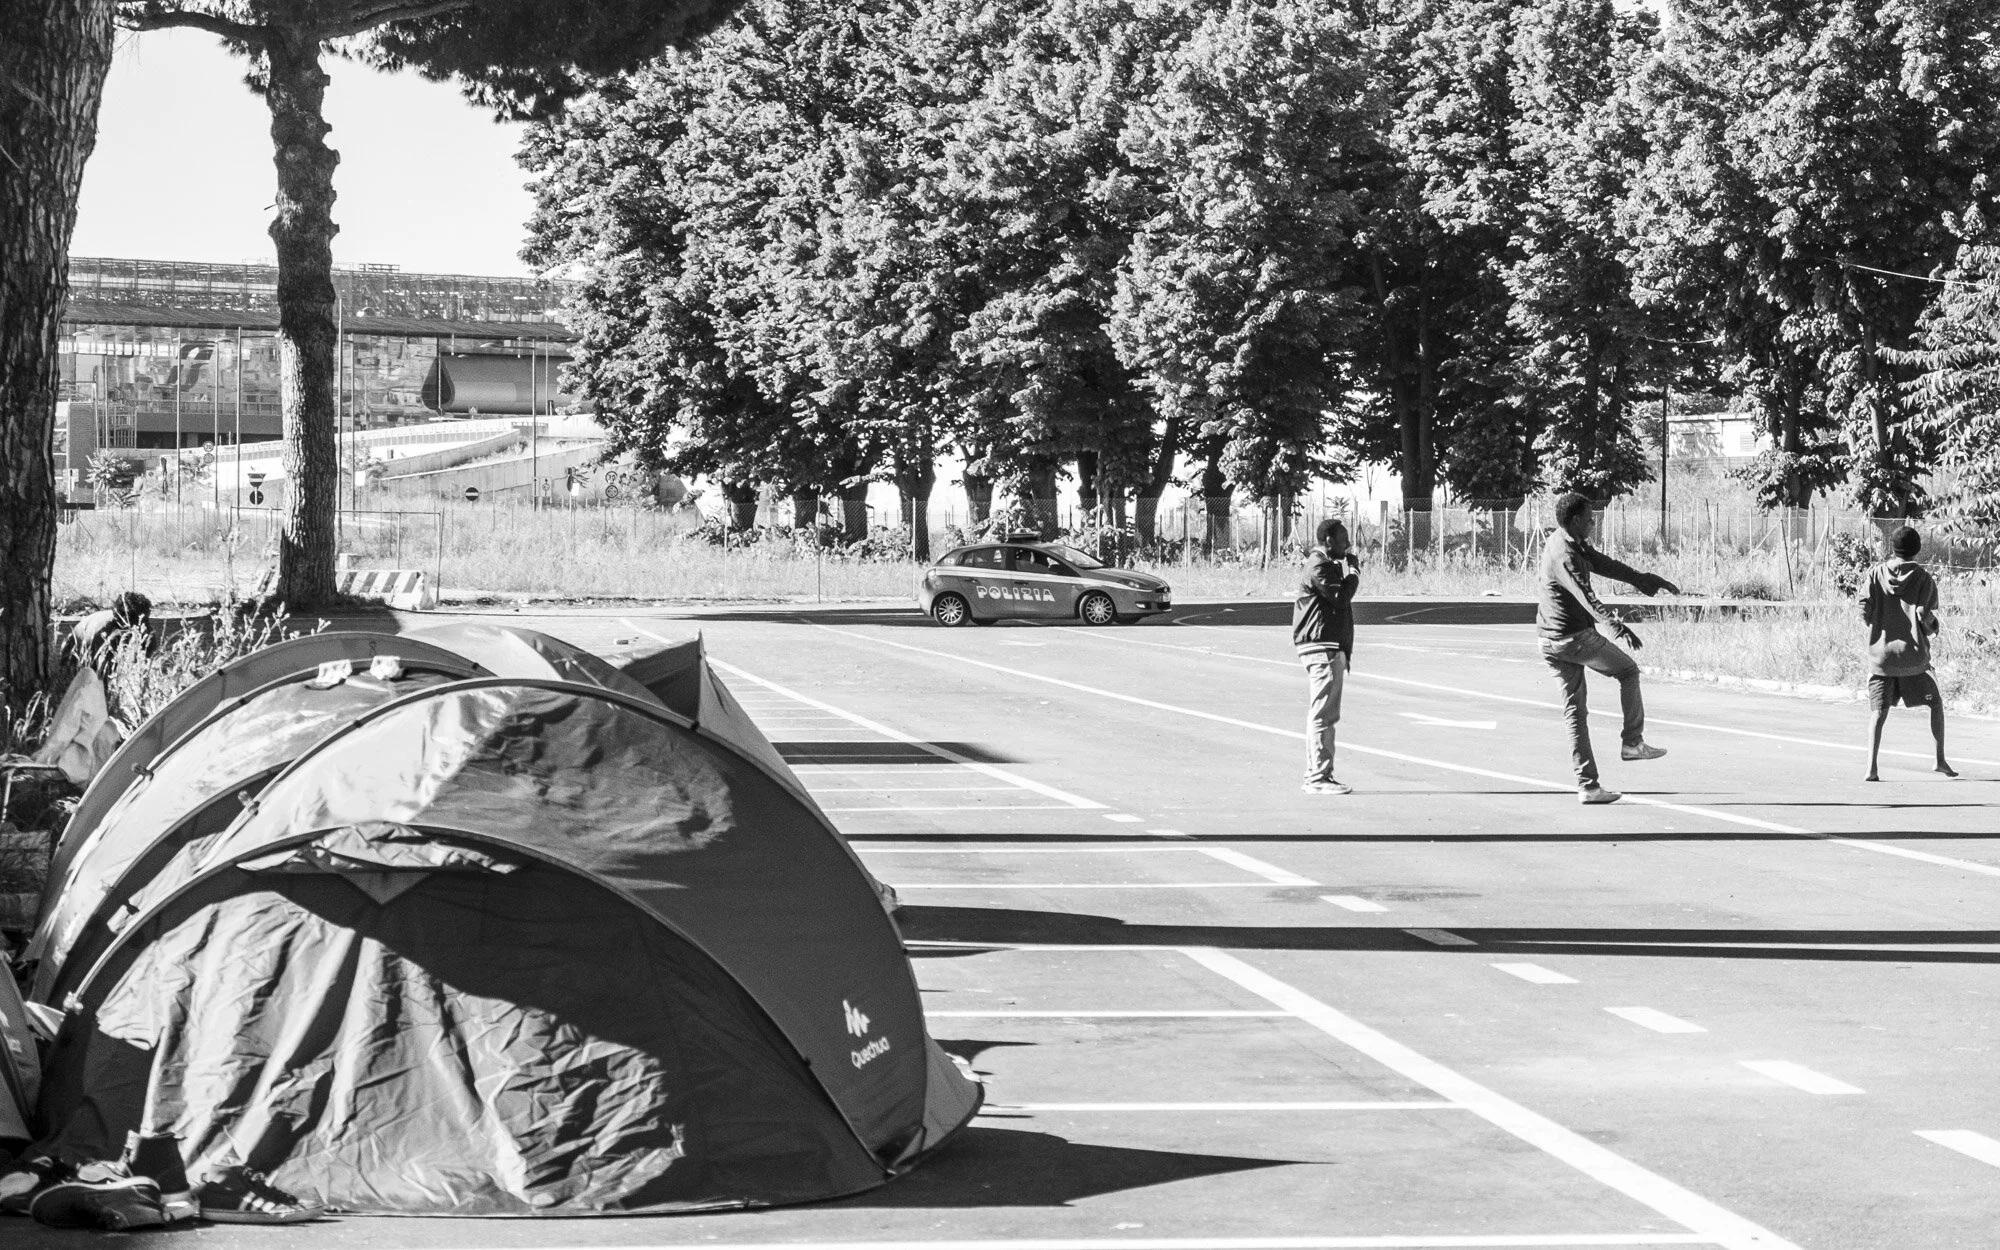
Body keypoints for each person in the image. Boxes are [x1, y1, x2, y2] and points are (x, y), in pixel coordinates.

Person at [1538, 493, 1679, 804]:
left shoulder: (1570, 542)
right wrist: (1613, 625)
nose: (1593, 521)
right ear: (1575, 520)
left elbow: (1602, 563)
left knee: (1575, 712)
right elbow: (1585, 594)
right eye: (1589, 517)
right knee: (1628, 671)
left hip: (1550, 640)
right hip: (1573, 638)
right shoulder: (1565, 555)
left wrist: (1641, 579)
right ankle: (1632, 743)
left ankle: (1588, 787)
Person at [1861, 524, 1954, 781]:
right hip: (1914, 659)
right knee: (1934, 703)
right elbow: (1924, 615)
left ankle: (1871, 767)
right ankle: (1940, 761)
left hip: (1881, 658)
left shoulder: (1875, 574)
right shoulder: (1923, 578)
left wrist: (1880, 626)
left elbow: (1864, 611)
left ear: (1892, 547)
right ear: (1917, 550)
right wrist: (1933, 628)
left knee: (1878, 713)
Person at [1294, 518, 1359, 795]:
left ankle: (1320, 774)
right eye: (1344, 539)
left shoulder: (1326, 565)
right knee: (1323, 713)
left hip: (1328, 645)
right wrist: (1354, 573)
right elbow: (1340, 597)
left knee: (1326, 713)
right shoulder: (1319, 565)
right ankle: (1317, 777)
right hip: (1322, 647)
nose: (1348, 544)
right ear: (1329, 540)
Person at [68, 592, 152, 675]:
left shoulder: (143, 626)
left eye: (145, 620)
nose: (143, 627)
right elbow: (98, 673)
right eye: (138, 624)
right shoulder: (101, 635)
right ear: (122, 621)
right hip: (76, 656)